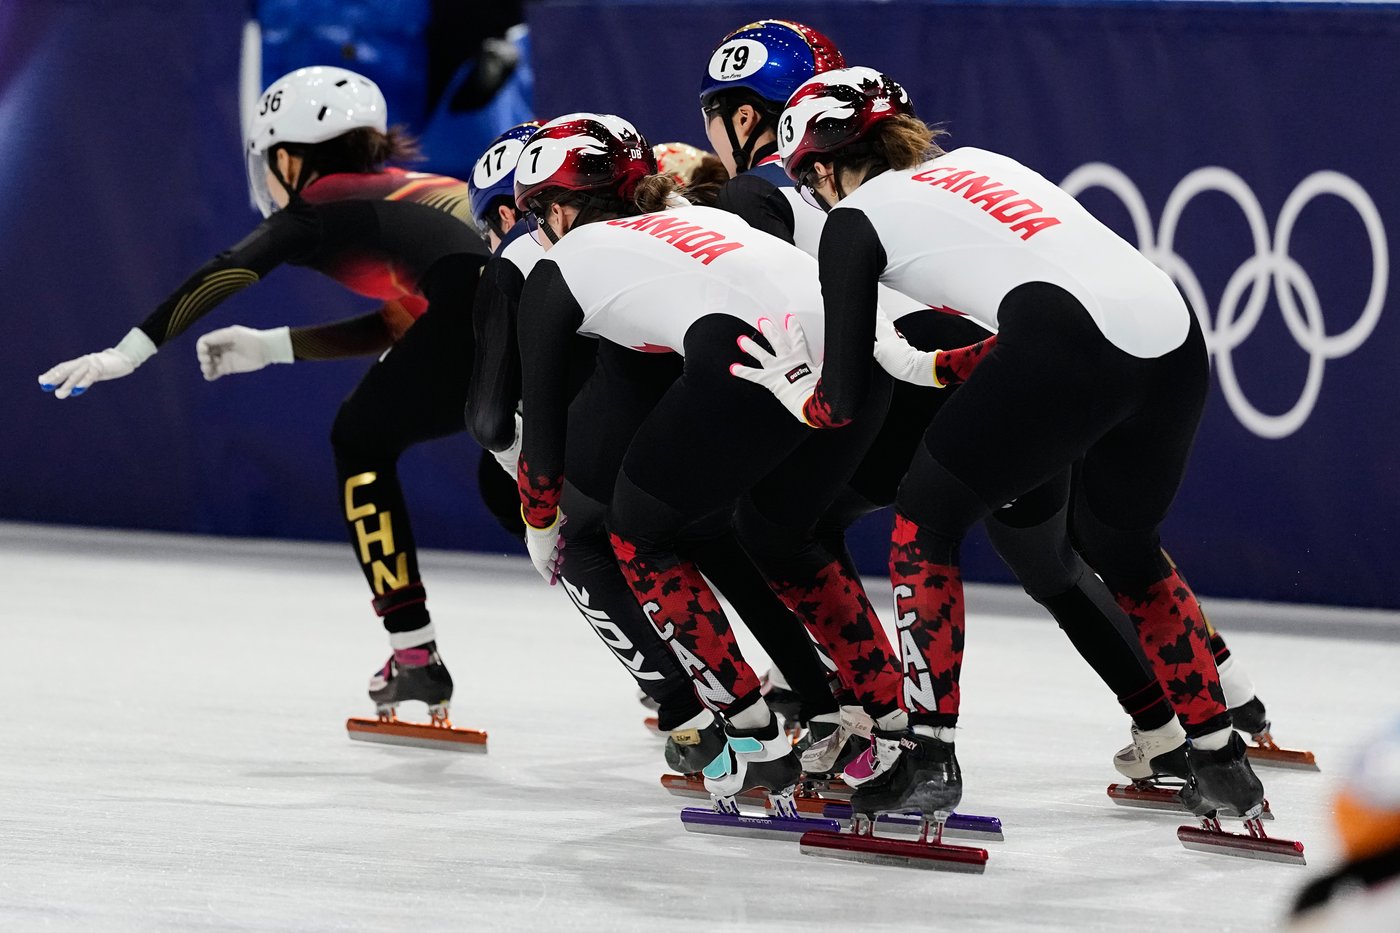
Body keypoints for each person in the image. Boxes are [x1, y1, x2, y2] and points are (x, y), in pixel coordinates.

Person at [739, 65, 1267, 819]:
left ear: (822, 167)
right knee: (1123, 549)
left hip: (1069, 341)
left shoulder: (854, 222)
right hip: (1173, 334)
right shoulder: (982, 162)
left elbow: (843, 400)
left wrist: (792, 383)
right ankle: (1221, 762)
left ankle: (928, 758)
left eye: (811, 181)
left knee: (926, 515)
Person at [37, 66, 500, 735]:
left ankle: (414, 652)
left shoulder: (324, 205)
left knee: (360, 439)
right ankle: (672, 662)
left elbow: (227, 268)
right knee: (544, 499)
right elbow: (415, 323)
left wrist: (126, 352)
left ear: (286, 156)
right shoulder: (408, 196)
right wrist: (273, 346)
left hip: (474, 313)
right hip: (528, 309)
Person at [511, 113, 920, 803]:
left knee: (638, 531)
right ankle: (893, 732)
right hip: (864, 346)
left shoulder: (560, 266)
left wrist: (539, 521)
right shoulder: (698, 219)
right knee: (782, 537)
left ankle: (755, 739)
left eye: (535, 216)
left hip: (756, 357)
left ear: (558, 208)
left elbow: (542, 435)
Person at [464, 122, 841, 772]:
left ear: (551, 208)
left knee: (593, 532)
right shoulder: (686, 212)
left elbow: (503, 420)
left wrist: (536, 516)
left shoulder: (539, 259)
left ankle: (702, 718)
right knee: (719, 533)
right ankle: (831, 706)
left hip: (656, 397)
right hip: (803, 362)